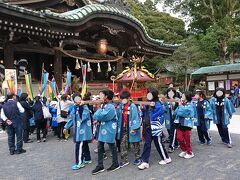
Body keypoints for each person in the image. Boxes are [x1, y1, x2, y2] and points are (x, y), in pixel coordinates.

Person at [138, 88, 171, 170]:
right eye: (147, 93)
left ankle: (166, 158)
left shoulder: (158, 104)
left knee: (158, 143)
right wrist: (143, 109)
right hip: (147, 126)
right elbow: (145, 114)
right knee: (147, 144)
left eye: (150, 94)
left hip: (155, 127)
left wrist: (152, 108)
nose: (148, 95)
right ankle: (145, 162)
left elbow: (157, 114)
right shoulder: (148, 103)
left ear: (154, 95)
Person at [92, 89, 119, 175]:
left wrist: (99, 108)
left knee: (112, 146)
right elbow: (98, 116)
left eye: (101, 95)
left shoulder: (110, 106)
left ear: (106, 96)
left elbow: (101, 116)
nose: (100, 97)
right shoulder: (106, 105)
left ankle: (115, 163)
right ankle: (100, 165)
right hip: (104, 128)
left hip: (109, 129)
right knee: (100, 146)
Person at [63, 93, 92, 170]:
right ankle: (88, 158)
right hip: (78, 130)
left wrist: (81, 106)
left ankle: (79, 162)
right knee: (84, 144)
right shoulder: (74, 108)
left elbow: (84, 116)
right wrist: (66, 127)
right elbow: (71, 119)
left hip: (83, 130)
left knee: (79, 145)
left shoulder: (84, 107)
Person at [116, 90, 142, 167]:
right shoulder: (121, 106)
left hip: (132, 127)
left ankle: (138, 158)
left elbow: (135, 117)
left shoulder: (133, 106)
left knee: (135, 143)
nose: (123, 100)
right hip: (124, 127)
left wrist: (134, 128)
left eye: (124, 99)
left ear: (128, 98)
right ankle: (124, 160)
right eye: (121, 99)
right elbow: (118, 115)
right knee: (122, 144)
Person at [174, 91, 195, 159]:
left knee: (187, 139)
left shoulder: (191, 104)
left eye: (183, 96)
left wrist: (180, 106)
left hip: (187, 125)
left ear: (187, 97)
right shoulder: (181, 104)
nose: (182, 97)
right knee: (179, 138)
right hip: (179, 123)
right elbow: (175, 113)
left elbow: (183, 113)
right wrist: (179, 106)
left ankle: (190, 152)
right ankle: (184, 150)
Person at [165, 88, 179, 153]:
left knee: (172, 132)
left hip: (175, 118)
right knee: (170, 131)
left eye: (172, 92)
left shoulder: (177, 99)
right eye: (169, 92)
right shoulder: (165, 100)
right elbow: (163, 108)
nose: (170, 94)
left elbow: (179, 108)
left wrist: (172, 103)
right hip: (168, 118)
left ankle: (171, 146)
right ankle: (176, 143)